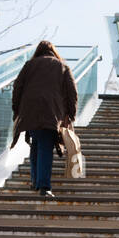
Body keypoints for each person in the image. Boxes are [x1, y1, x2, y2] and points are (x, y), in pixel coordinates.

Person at [10, 41, 79, 199]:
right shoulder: (62, 67)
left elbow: (17, 87)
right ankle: (44, 186)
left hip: (30, 111)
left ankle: (36, 180)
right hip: (52, 112)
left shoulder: (29, 65)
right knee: (45, 146)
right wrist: (71, 114)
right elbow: (72, 92)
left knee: (37, 143)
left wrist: (17, 110)